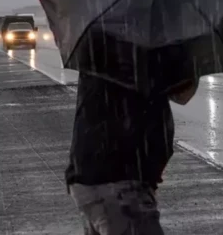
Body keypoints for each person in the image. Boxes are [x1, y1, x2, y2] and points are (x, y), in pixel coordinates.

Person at [65, 25, 199, 234]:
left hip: (89, 171)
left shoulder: (100, 29)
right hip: (121, 182)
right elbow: (184, 92)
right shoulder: (156, 37)